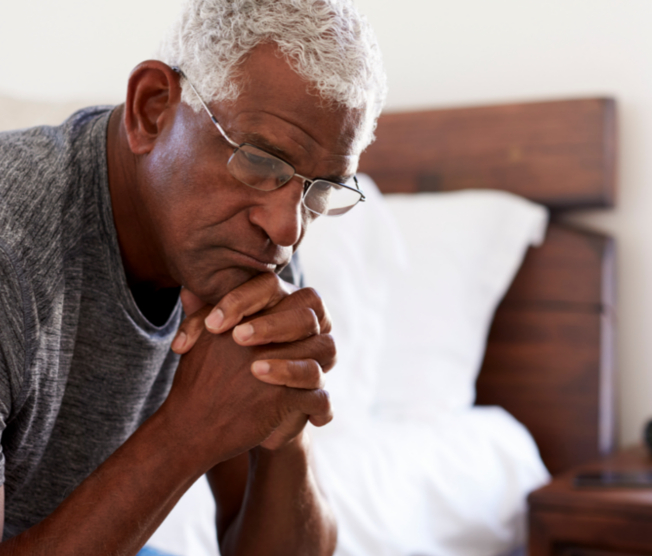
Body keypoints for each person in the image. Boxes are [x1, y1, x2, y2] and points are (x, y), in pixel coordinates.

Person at [0, 0, 386, 554]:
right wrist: (188, 430)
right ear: (152, 110)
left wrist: (286, 417)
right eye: (259, 160)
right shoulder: (12, 241)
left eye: (320, 190)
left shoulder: (257, 237)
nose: (287, 229)